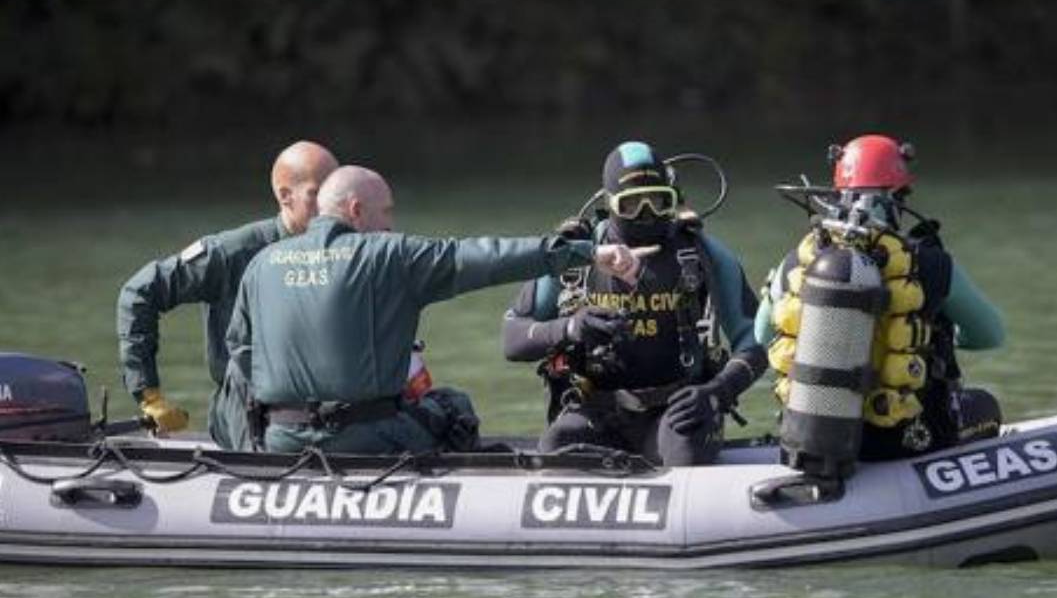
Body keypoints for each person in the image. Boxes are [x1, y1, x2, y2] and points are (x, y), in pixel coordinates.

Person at [225, 165, 649, 455]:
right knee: (452, 407)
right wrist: (587, 253)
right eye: (386, 211)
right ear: (356, 211)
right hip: (368, 439)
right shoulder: (389, 255)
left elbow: (240, 353)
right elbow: (491, 257)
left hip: (281, 440)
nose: (391, 224)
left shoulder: (263, 263)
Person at [503, 141, 767, 467]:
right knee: (557, 445)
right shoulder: (573, 255)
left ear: (672, 198)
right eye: (630, 205)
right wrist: (570, 327)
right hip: (597, 410)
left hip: (679, 411)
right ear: (610, 203)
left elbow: (756, 342)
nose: (646, 214)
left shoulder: (705, 255)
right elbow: (512, 339)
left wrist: (717, 392)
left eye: (658, 201)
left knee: (684, 453)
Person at [757, 134, 1004, 473]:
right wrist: (932, 333)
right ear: (898, 198)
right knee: (985, 405)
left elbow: (761, 338)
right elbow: (991, 335)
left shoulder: (797, 263)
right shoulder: (931, 263)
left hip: (815, 441)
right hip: (904, 442)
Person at [117, 141, 339, 448]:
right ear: (285, 196)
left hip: (315, 406)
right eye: (318, 194)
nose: (331, 206)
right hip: (244, 405)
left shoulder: (345, 254)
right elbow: (139, 292)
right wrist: (149, 394)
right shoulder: (232, 253)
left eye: (336, 192)